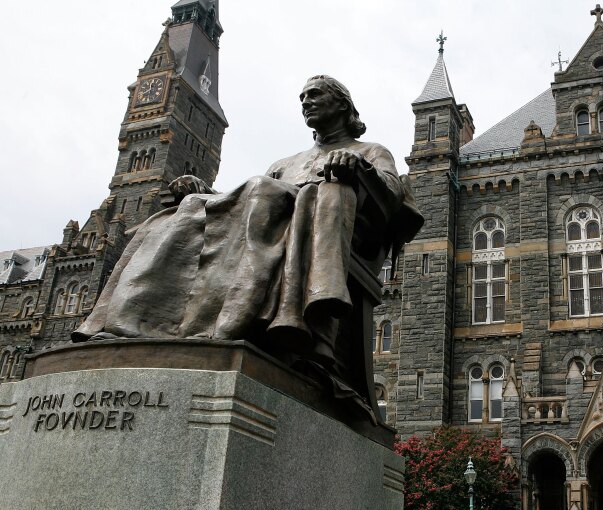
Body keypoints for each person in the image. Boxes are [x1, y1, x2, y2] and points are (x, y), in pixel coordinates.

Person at [73, 75, 421, 367]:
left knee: (275, 189)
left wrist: (359, 169)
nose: (305, 102)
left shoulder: (370, 150)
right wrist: (208, 193)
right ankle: (133, 321)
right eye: (301, 98)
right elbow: (243, 207)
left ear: (343, 104)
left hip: (333, 230)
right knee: (190, 205)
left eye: (315, 94)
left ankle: (250, 322)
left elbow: (393, 196)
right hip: (275, 225)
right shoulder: (287, 162)